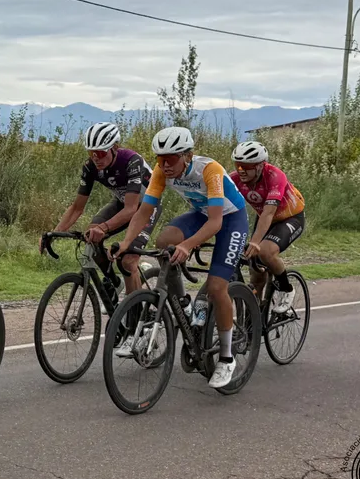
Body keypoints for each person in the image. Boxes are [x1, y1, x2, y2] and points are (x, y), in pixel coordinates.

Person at [112, 126, 249, 389]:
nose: (164, 165)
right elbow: (143, 212)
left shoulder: (210, 170)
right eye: (160, 159)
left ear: (188, 155)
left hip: (230, 218)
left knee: (218, 287)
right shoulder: (161, 172)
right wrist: (126, 244)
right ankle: (184, 302)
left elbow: (216, 222)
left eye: (171, 159)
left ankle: (227, 357)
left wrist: (187, 245)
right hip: (201, 213)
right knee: (164, 242)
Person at [41, 121, 162, 357]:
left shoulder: (132, 161)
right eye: (91, 153)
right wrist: (53, 233)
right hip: (123, 202)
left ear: (115, 147)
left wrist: (105, 228)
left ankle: (136, 327)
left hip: (145, 206)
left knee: (127, 261)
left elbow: (131, 209)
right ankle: (112, 281)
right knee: (91, 234)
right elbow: (77, 208)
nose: (96, 158)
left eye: (100, 153)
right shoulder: (90, 167)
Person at [228, 140, 306, 313]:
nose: (240, 170)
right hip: (264, 218)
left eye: (246, 166)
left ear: (260, 166)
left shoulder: (275, 176)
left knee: (265, 251)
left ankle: (287, 289)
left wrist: (255, 242)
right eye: (238, 165)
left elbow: (269, 213)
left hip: (290, 218)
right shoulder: (235, 179)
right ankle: (253, 322)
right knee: (255, 273)